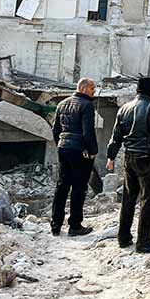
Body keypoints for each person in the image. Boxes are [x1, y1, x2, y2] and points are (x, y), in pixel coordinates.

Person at [107, 78, 150, 254]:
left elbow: (116, 136)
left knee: (128, 198)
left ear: (137, 91)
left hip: (129, 157)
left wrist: (111, 156)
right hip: (148, 159)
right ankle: (144, 242)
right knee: (148, 200)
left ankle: (124, 238)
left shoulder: (124, 108)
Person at [50, 78, 98, 237]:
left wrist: (61, 144)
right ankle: (75, 225)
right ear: (84, 89)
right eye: (92, 88)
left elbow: (55, 129)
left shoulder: (62, 104)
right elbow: (88, 131)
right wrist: (93, 151)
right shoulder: (86, 105)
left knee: (62, 185)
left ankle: (55, 225)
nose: (94, 91)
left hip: (63, 148)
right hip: (79, 150)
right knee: (79, 187)